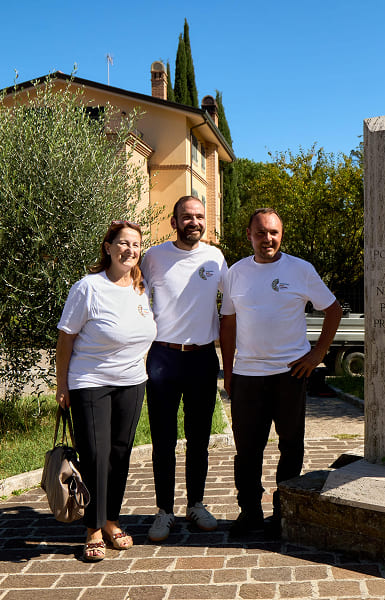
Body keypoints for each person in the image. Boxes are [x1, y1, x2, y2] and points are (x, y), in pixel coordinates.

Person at [220, 207, 343, 538]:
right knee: (248, 448)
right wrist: (228, 371)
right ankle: (250, 511)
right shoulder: (235, 272)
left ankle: (284, 509)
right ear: (249, 235)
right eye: (260, 233)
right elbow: (228, 321)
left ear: (281, 234)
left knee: (291, 445)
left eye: (273, 232)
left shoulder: (300, 270)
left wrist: (317, 354)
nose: (267, 239)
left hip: (291, 374)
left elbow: (333, 310)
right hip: (247, 375)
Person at [56, 220, 157, 562]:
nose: (130, 250)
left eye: (136, 245)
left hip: (132, 382)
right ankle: (93, 528)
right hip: (90, 382)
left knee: (119, 454)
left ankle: (112, 520)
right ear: (109, 247)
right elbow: (66, 338)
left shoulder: (141, 288)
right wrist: (62, 385)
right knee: (96, 456)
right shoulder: (88, 287)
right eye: (123, 243)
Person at [141, 196, 227, 542]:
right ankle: (164, 511)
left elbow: (237, 303)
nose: (194, 221)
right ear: (174, 221)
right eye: (186, 217)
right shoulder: (154, 257)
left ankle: (196, 504)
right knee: (163, 440)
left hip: (203, 358)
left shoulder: (215, 257)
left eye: (199, 216)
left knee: (199, 439)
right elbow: (133, 295)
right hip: (163, 358)